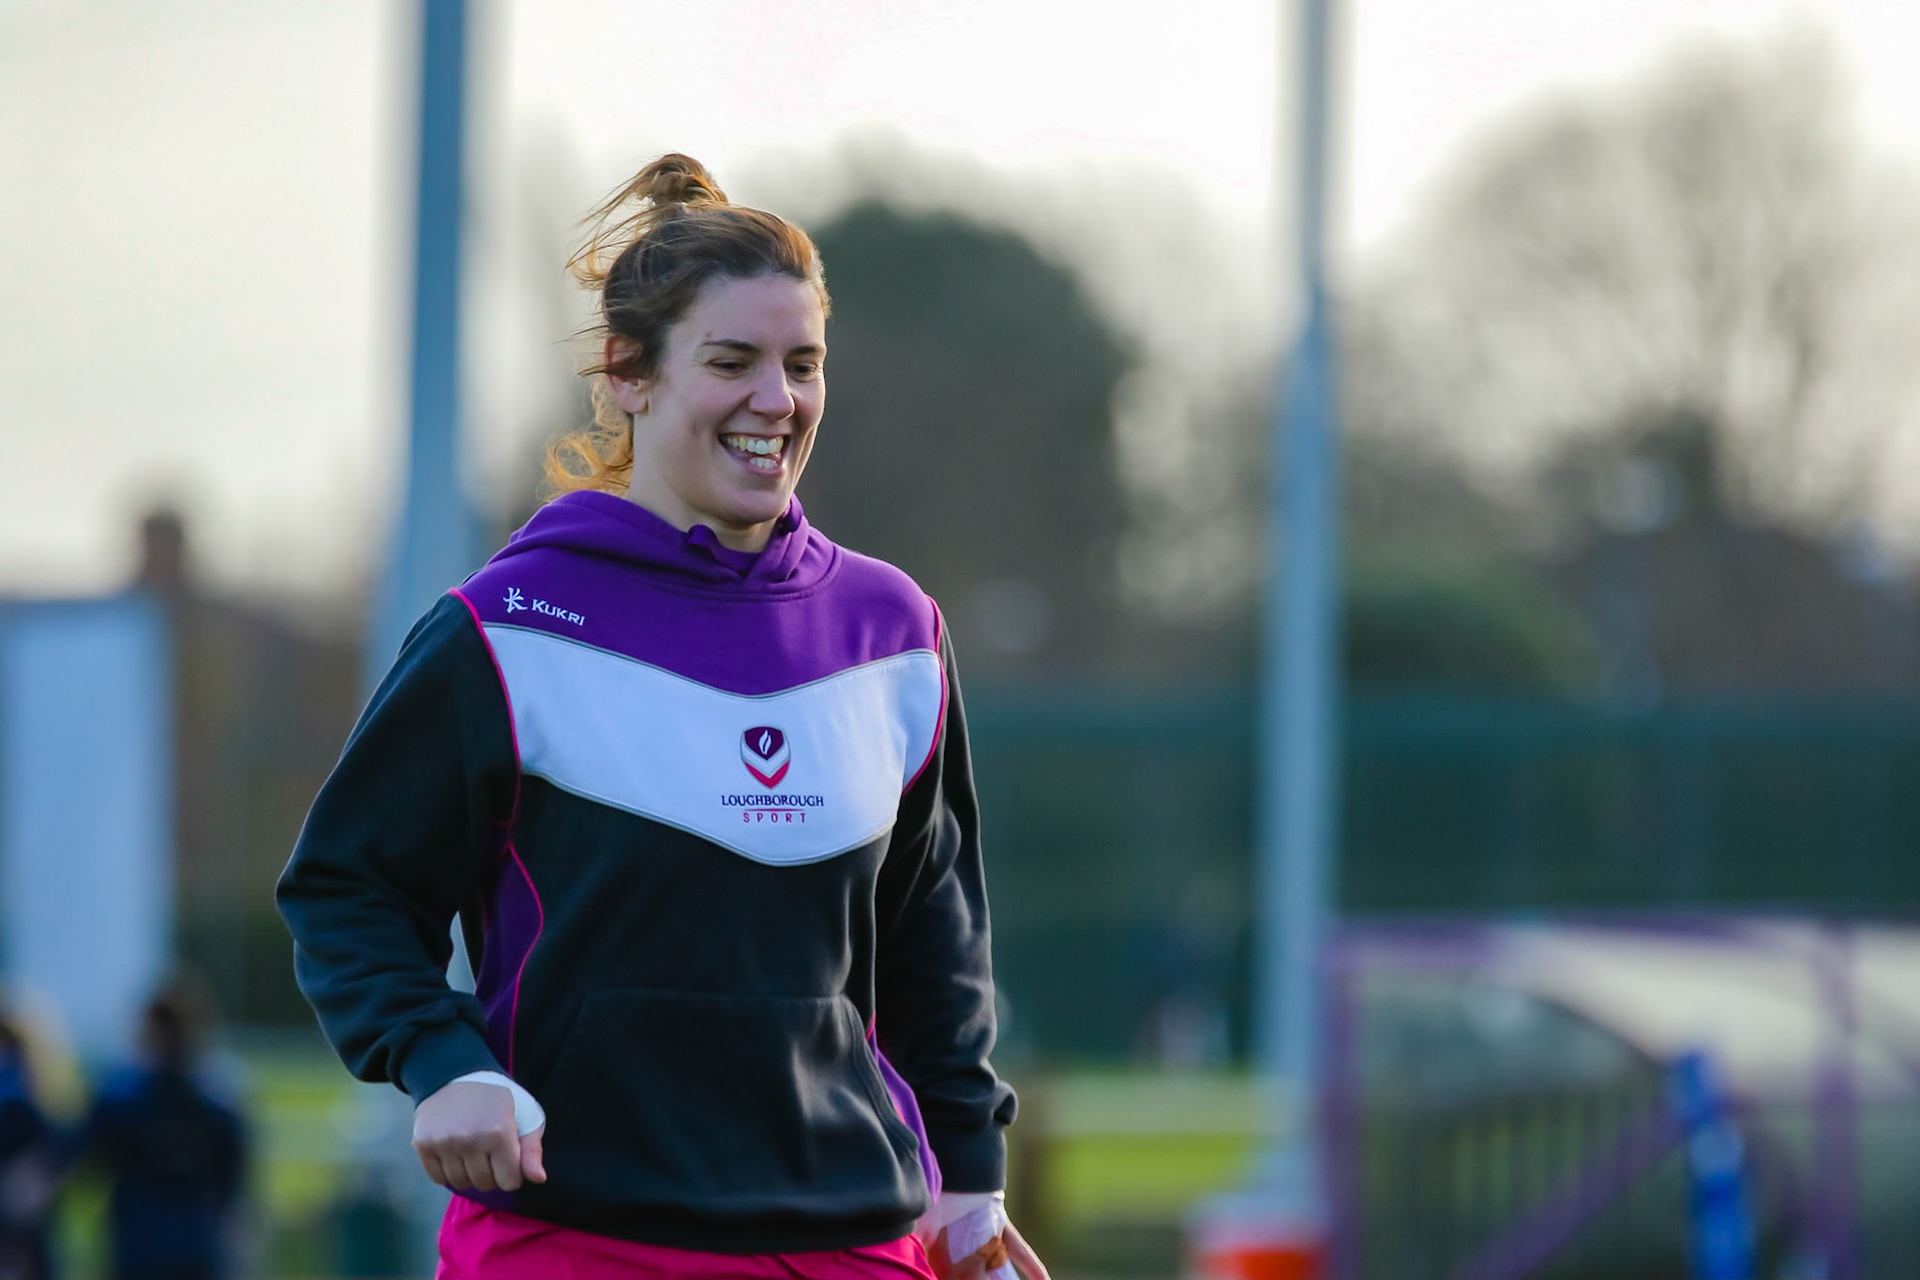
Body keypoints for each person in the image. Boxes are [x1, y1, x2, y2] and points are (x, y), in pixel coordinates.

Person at [278, 153, 1047, 1280]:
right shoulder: (507, 625)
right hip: (572, 1233)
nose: (775, 401)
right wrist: (442, 1060)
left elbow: (934, 930)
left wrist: (971, 1180)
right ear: (631, 374)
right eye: (731, 361)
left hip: (845, 1232)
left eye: (802, 364)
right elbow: (347, 885)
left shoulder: (895, 630)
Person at [75, 986, 248, 1280]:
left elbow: (87, 1160)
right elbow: (231, 1191)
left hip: (139, 1245)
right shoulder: (218, 1103)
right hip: (196, 1245)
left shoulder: (121, 1100)